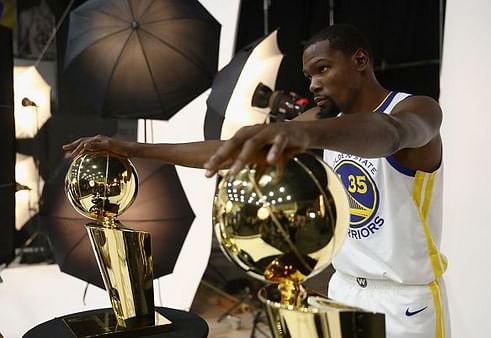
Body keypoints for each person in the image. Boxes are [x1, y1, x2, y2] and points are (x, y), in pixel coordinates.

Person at [63, 24, 449, 338]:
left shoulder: (415, 109)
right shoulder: (322, 123)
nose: (313, 83)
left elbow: (392, 133)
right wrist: (132, 148)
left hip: (405, 302)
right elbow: (226, 150)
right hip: (343, 288)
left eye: (323, 69)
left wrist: (306, 136)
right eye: (308, 75)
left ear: (360, 60)